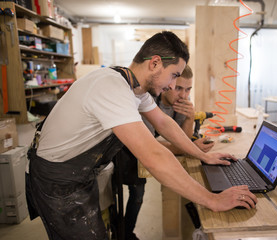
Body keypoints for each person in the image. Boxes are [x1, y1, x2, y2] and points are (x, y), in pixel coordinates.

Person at [26, 31, 257, 240]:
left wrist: (201, 155)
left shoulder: (134, 88)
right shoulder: (111, 86)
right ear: (155, 63)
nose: (173, 85)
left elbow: (164, 123)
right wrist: (212, 200)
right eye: (173, 75)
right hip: (56, 179)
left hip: (79, 173)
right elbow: (154, 155)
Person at [119, 65, 214, 240]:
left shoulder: (180, 102)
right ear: (168, 84)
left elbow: (181, 140)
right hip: (129, 151)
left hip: (151, 147)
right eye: (178, 88)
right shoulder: (148, 101)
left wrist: (190, 118)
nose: (183, 95)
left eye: (188, 89)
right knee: (137, 194)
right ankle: (126, 233)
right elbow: (151, 145)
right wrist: (194, 149)